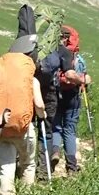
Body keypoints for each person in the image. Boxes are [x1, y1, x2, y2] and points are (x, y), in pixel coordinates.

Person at [0, 55, 46, 195]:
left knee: (6, 166)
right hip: (24, 129)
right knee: (28, 164)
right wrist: (43, 114)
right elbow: (40, 105)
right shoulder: (32, 81)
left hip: (1, 128)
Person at [38, 26, 91, 175]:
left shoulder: (51, 53)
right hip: (72, 96)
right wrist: (84, 80)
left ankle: (55, 152)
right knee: (70, 130)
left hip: (55, 93)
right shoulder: (76, 57)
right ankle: (72, 167)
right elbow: (82, 76)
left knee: (55, 127)